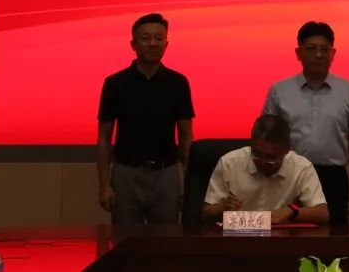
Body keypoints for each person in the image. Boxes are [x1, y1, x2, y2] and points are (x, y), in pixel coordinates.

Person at [261, 21, 349, 225]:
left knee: (335, 235)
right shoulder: (279, 90)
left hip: (333, 178)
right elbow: (266, 138)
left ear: (333, 53)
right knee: (285, 232)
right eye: (311, 49)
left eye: (324, 49)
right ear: (298, 53)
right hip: (289, 175)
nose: (318, 55)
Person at [96, 13, 195, 225]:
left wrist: (188, 182)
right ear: (133, 44)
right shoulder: (115, 83)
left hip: (166, 174)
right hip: (126, 173)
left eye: (158, 38)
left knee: (166, 239)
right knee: (124, 240)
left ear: (166, 44)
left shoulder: (178, 83)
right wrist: (104, 184)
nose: (152, 43)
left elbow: (186, 136)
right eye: (146, 38)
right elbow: (104, 137)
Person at [203, 115, 329, 224]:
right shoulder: (229, 163)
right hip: (237, 238)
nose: (262, 162)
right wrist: (221, 209)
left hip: (281, 239)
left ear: (286, 150)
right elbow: (206, 212)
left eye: (271, 157)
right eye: (256, 154)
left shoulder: (301, 167)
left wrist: (292, 211)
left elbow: (322, 214)